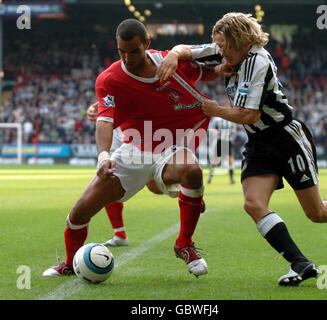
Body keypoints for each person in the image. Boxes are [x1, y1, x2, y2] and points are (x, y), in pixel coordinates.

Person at [158, 12, 327, 286]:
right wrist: (173, 56)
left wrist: (215, 110)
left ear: (240, 39)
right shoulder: (228, 50)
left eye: (224, 46)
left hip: (286, 138)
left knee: (316, 213)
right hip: (259, 143)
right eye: (218, 46)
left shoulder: (258, 61)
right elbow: (188, 50)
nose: (220, 52)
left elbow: (248, 114)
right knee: (253, 204)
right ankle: (301, 263)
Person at [43, 18, 221, 278]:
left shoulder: (169, 62)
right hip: (134, 149)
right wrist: (103, 156)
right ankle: (71, 263)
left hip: (172, 144)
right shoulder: (108, 79)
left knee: (192, 170)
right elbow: (104, 121)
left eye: (134, 51)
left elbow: (212, 67)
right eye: (121, 51)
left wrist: (221, 66)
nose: (127, 57)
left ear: (147, 44)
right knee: (80, 211)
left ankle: (184, 244)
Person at [86, 102, 206, 247]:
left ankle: (187, 192)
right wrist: (95, 107)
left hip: (137, 128)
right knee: (109, 176)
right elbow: (111, 92)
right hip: (114, 127)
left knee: (154, 187)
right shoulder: (110, 84)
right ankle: (120, 234)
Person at [207, 116, 237, 184]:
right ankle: (210, 177)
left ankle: (231, 178)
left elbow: (234, 129)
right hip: (220, 141)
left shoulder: (231, 119)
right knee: (215, 159)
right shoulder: (217, 119)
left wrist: (232, 132)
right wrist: (216, 132)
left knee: (230, 160)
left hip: (228, 141)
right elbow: (211, 128)